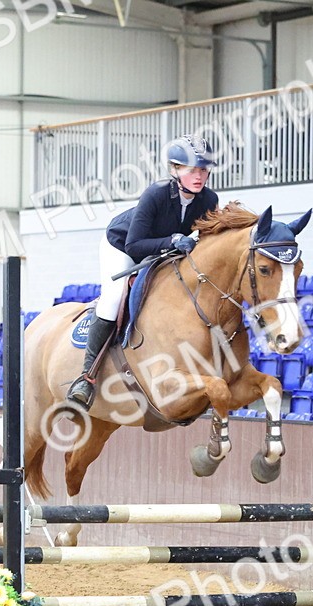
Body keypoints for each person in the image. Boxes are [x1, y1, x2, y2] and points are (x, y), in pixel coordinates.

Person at [66, 134, 221, 409]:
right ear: (175, 170)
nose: (199, 176)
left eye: (204, 170)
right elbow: (134, 245)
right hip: (123, 246)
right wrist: (173, 240)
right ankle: (86, 377)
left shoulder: (209, 199)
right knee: (114, 297)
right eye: (192, 169)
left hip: (163, 251)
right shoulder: (156, 194)